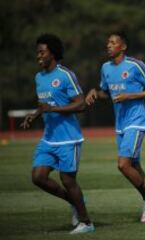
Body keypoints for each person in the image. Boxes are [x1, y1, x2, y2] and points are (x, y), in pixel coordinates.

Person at [85, 31, 145, 223]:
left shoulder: (136, 65)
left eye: (113, 43)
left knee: (123, 164)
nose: (108, 45)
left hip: (137, 121)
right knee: (135, 166)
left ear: (123, 47)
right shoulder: (105, 68)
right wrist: (95, 93)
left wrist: (131, 96)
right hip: (120, 124)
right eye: (107, 43)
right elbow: (107, 93)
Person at [20, 34, 95, 234]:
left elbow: (80, 105)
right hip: (49, 138)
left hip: (69, 138)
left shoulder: (65, 75)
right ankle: (75, 201)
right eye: (37, 52)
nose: (38, 56)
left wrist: (51, 110)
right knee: (38, 177)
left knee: (68, 180)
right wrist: (34, 115)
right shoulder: (39, 77)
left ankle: (86, 222)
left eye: (42, 52)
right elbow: (44, 105)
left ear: (52, 53)